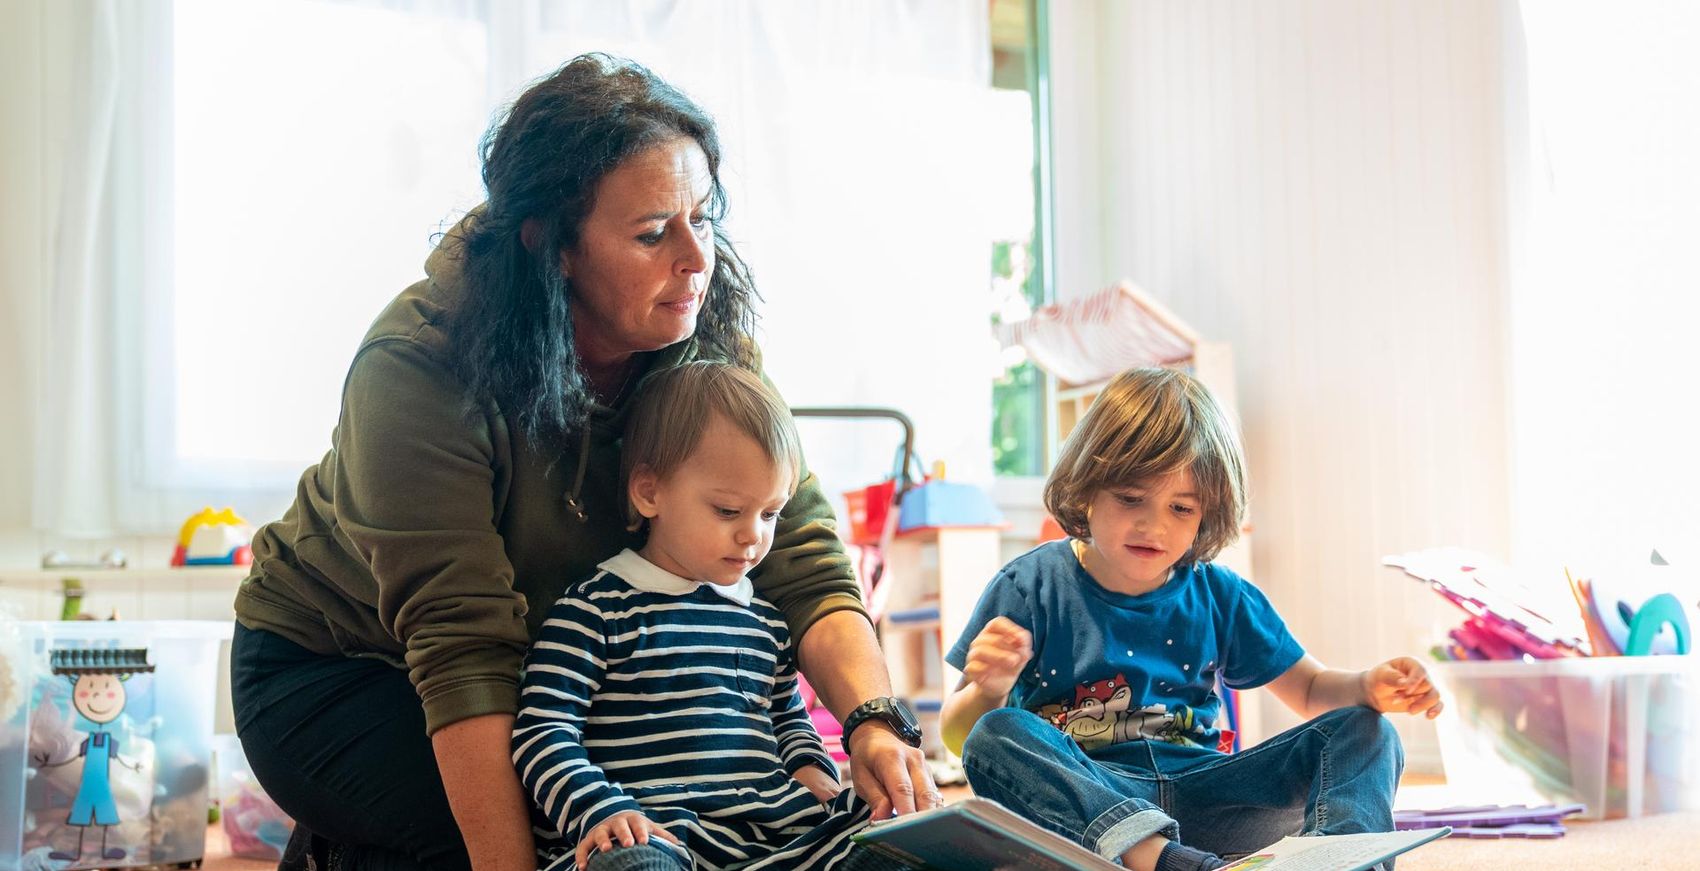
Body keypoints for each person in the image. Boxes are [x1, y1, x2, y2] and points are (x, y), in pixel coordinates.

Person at [230, 54, 935, 871]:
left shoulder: (700, 334)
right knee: (544, 834)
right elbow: (463, 651)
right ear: (552, 244)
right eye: (650, 234)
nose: (696, 259)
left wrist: (874, 718)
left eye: (703, 219)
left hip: (537, 676)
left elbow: (806, 557)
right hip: (338, 667)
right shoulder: (417, 364)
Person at [939, 367, 1444, 871]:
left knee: (1367, 731)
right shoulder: (1029, 586)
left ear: (1208, 514)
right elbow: (960, 737)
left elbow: (1310, 690)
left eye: (1181, 508)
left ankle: (1336, 862)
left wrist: (1367, 687)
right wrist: (987, 690)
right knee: (997, 732)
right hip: (1090, 802)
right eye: (1130, 498)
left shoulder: (1220, 593)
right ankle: (1164, 862)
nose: (1153, 525)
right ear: (1087, 489)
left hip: (1210, 797)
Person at [515, 361, 910, 871]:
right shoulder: (594, 609)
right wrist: (600, 811)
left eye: (770, 514)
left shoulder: (764, 621)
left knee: (887, 828)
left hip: (771, 837)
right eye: (728, 511)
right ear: (650, 493)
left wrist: (810, 766)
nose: (754, 535)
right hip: (653, 834)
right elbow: (543, 731)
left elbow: (787, 718)